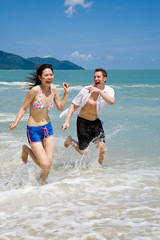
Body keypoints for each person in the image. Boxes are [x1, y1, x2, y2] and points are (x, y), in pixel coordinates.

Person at [8, 64, 69, 182]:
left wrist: (66, 93)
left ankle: (40, 186)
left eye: (51, 75)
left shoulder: (54, 90)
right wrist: (15, 123)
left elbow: (60, 107)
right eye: (46, 75)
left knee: (48, 165)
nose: (49, 77)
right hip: (34, 130)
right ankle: (26, 149)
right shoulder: (35, 90)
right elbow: (23, 108)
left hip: (48, 129)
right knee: (44, 165)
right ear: (40, 77)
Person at [61, 68, 115, 165]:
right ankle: (70, 141)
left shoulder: (108, 90)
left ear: (104, 79)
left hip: (96, 122)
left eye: (98, 77)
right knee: (83, 152)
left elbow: (111, 101)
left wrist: (99, 92)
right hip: (83, 123)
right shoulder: (86, 90)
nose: (96, 79)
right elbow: (73, 105)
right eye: (94, 77)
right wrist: (67, 121)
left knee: (102, 149)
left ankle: (99, 168)